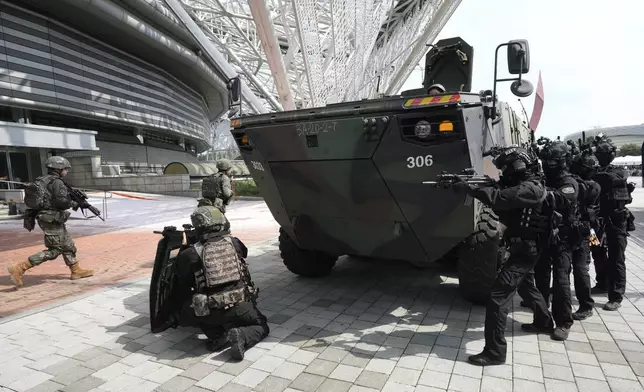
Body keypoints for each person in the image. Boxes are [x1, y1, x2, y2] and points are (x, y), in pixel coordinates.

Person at [450, 147, 553, 366]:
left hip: (526, 251)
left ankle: (495, 352)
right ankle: (544, 321)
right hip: (524, 248)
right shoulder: (527, 184)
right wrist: (477, 181)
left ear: (517, 167)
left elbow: (499, 198)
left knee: (498, 296)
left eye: (505, 168)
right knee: (526, 286)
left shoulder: (530, 189)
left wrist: (469, 188)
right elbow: (499, 190)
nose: (503, 173)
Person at [174, 205, 268, 359]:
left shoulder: (190, 254)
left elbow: (182, 283)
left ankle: (218, 335)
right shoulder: (234, 243)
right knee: (261, 325)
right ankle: (242, 335)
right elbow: (244, 253)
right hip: (241, 307)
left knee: (191, 308)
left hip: (210, 313)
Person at [8, 156, 93, 287]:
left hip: (49, 217)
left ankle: (76, 270)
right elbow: (62, 202)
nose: (67, 171)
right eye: (65, 169)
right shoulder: (57, 183)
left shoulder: (43, 180)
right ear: (58, 169)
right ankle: (20, 268)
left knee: (67, 245)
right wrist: (75, 203)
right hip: (51, 218)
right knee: (55, 250)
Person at [531, 140, 579, 341]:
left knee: (560, 281)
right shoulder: (542, 179)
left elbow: (558, 198)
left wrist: (535, 192)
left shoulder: (569, 183)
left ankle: (563, 322)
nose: (549, 164)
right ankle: (542, 320)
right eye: (546, 160)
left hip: (563, 238)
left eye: (553, 161)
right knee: (541, 278)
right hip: (544, 235)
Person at [592, 136, 630, 311]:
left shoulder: (619, 172)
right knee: (596, 251)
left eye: (603, 153)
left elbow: (607, 179)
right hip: (596, 223)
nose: (600, 156)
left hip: (616, 222)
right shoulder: (596, 172)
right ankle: (602, 283)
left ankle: (616, 295)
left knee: (617, 258)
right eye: (598, 153)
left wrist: (590, 174)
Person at [568, 150, 601, 320]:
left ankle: (586, 305)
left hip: (580, 230)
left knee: (580, 268)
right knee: (582, 266)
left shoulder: (582, 185)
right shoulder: (595, 185)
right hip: (589, 230)